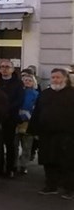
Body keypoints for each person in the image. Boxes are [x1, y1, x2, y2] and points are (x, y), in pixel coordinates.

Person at [30, 68, 74, 199]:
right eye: (53, 77)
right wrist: (35, 130)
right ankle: (51, 186)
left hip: (67, 135)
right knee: (48, 160)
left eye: (58, 77)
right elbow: (37, 112)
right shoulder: (45, 94)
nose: (55, 80)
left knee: (67, 162)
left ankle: (69, 188)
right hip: (46, 134)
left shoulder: (72, 94)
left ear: (65, 79)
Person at [0, 58, 25, 178]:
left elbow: (19, 100)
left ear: (12, 69)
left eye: (7, 67)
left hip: (10, 117)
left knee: (10, 144)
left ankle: (10, 168)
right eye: (2, 66)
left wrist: (6, 108)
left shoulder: (18, 83)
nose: (4, 69)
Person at [17, 72, 39, 175]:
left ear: (33, 82)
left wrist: (28, 116)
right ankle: (14, 164)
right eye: (25, 80)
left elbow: (37, 108)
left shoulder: (36, 94)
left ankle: (23, 165)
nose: (27, 82)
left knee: (27, 146)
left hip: (28, 123)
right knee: (14, 145)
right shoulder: (18, 92)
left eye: (29, 80)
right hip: (16, 121)